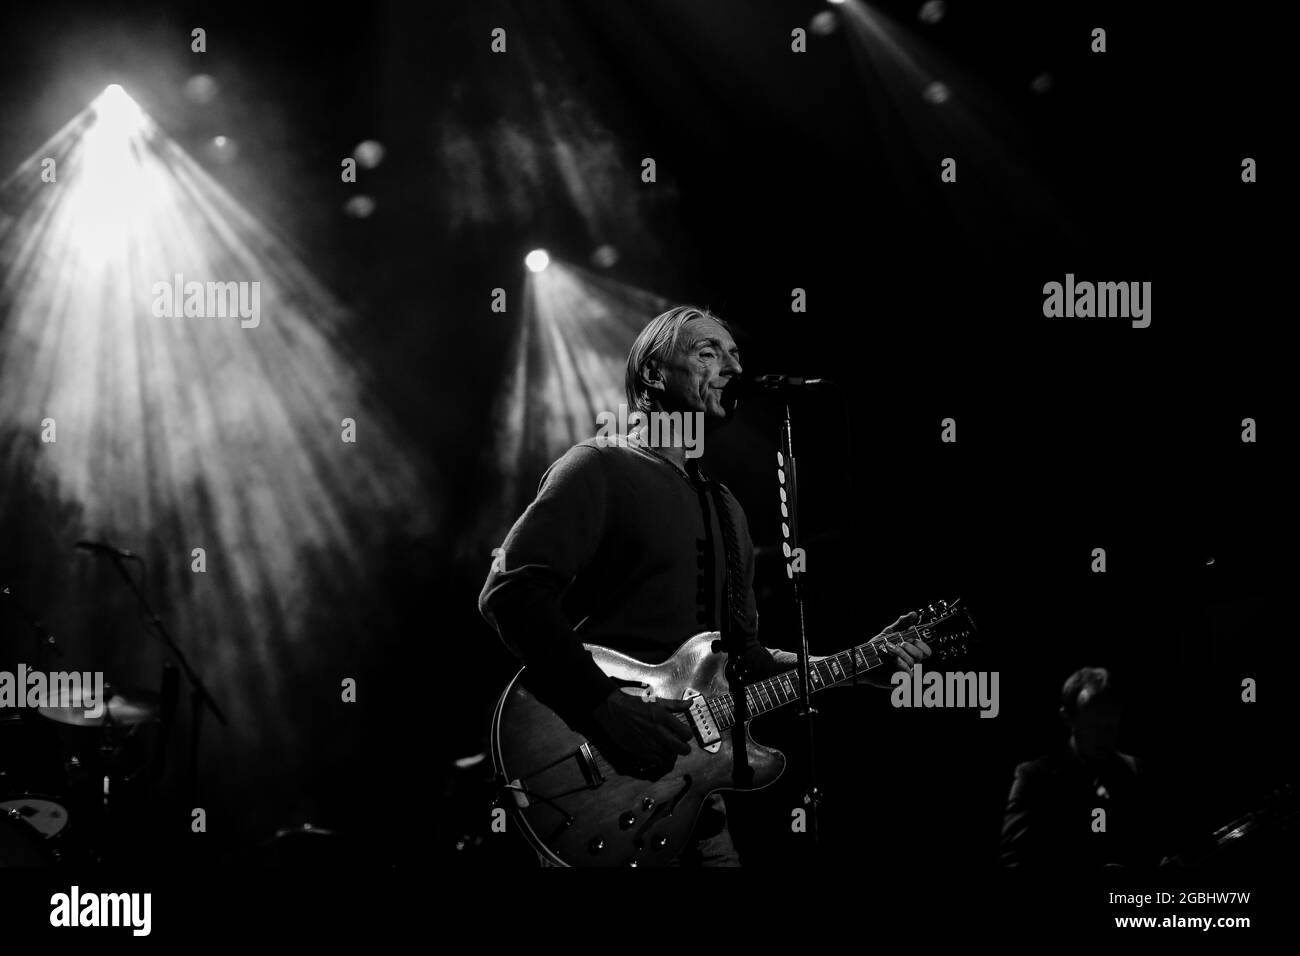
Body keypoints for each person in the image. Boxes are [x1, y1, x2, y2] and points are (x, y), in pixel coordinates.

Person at [479, 305, 930, 865]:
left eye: (736, 356)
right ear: (652, 372)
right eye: (708, 353)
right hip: (603, 775)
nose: (731, 368)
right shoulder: (599, 466)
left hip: (694, 807)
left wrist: (855, 663)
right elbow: (510, 594)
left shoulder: (728, 509)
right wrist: (604, 707)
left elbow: (745, 662)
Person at [1000, 667, 1164, 867]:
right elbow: (1013, 862)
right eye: (1093, 726)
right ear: (1068, 718)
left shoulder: (1135, 772)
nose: (1104, 736)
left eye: (1110, 726)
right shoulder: (1035, 778)